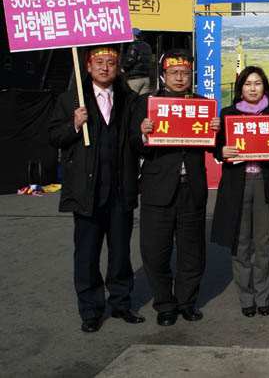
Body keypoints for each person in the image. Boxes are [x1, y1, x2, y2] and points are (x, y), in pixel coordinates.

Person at [48, 45, 144, 332]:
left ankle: (121, 303)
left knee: (120, 253)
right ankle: (90, 311)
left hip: (120, 187)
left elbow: (136, 139)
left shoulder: (128, 99)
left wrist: (145, 131)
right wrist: (74, 125)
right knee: (87, 254)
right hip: (87, 190)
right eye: (99, 62)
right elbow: (54, 136)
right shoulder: (71, 99)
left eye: (111, 63)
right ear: (88, 67)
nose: (105, 68)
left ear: (119, 68)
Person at [131, 49, 221, 326]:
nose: (180, 78)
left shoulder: (202, 104)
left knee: (191, 251)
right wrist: (143, 133)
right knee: (155, 250)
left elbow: (217, 149)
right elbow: (130, 144)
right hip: (158, 187)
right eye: (174, 73)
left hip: (191, 187)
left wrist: (217, 131)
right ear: (163, 75)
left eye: (185, 73)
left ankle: (186, 302)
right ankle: (164, 304)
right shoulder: (148, 102)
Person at [211, 67, 269, 318]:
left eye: (257, 83)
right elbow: (216, 148)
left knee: (263, 243)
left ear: (265, 87)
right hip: (237, 183)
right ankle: (245, 297)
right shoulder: (228, 114)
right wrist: (221, 152)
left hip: (266, 182)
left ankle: (262, 296)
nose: (252, 88)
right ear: (240, 88)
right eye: (248, 83)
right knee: (239, 242)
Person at [120, 28, 153, 95]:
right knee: (143, 102)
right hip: (146, 78)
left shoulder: (133, 45)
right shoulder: (148, 46)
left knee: (132, 101)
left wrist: (124, 68)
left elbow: (131, 60)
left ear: (133, 35)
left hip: (135, 78)